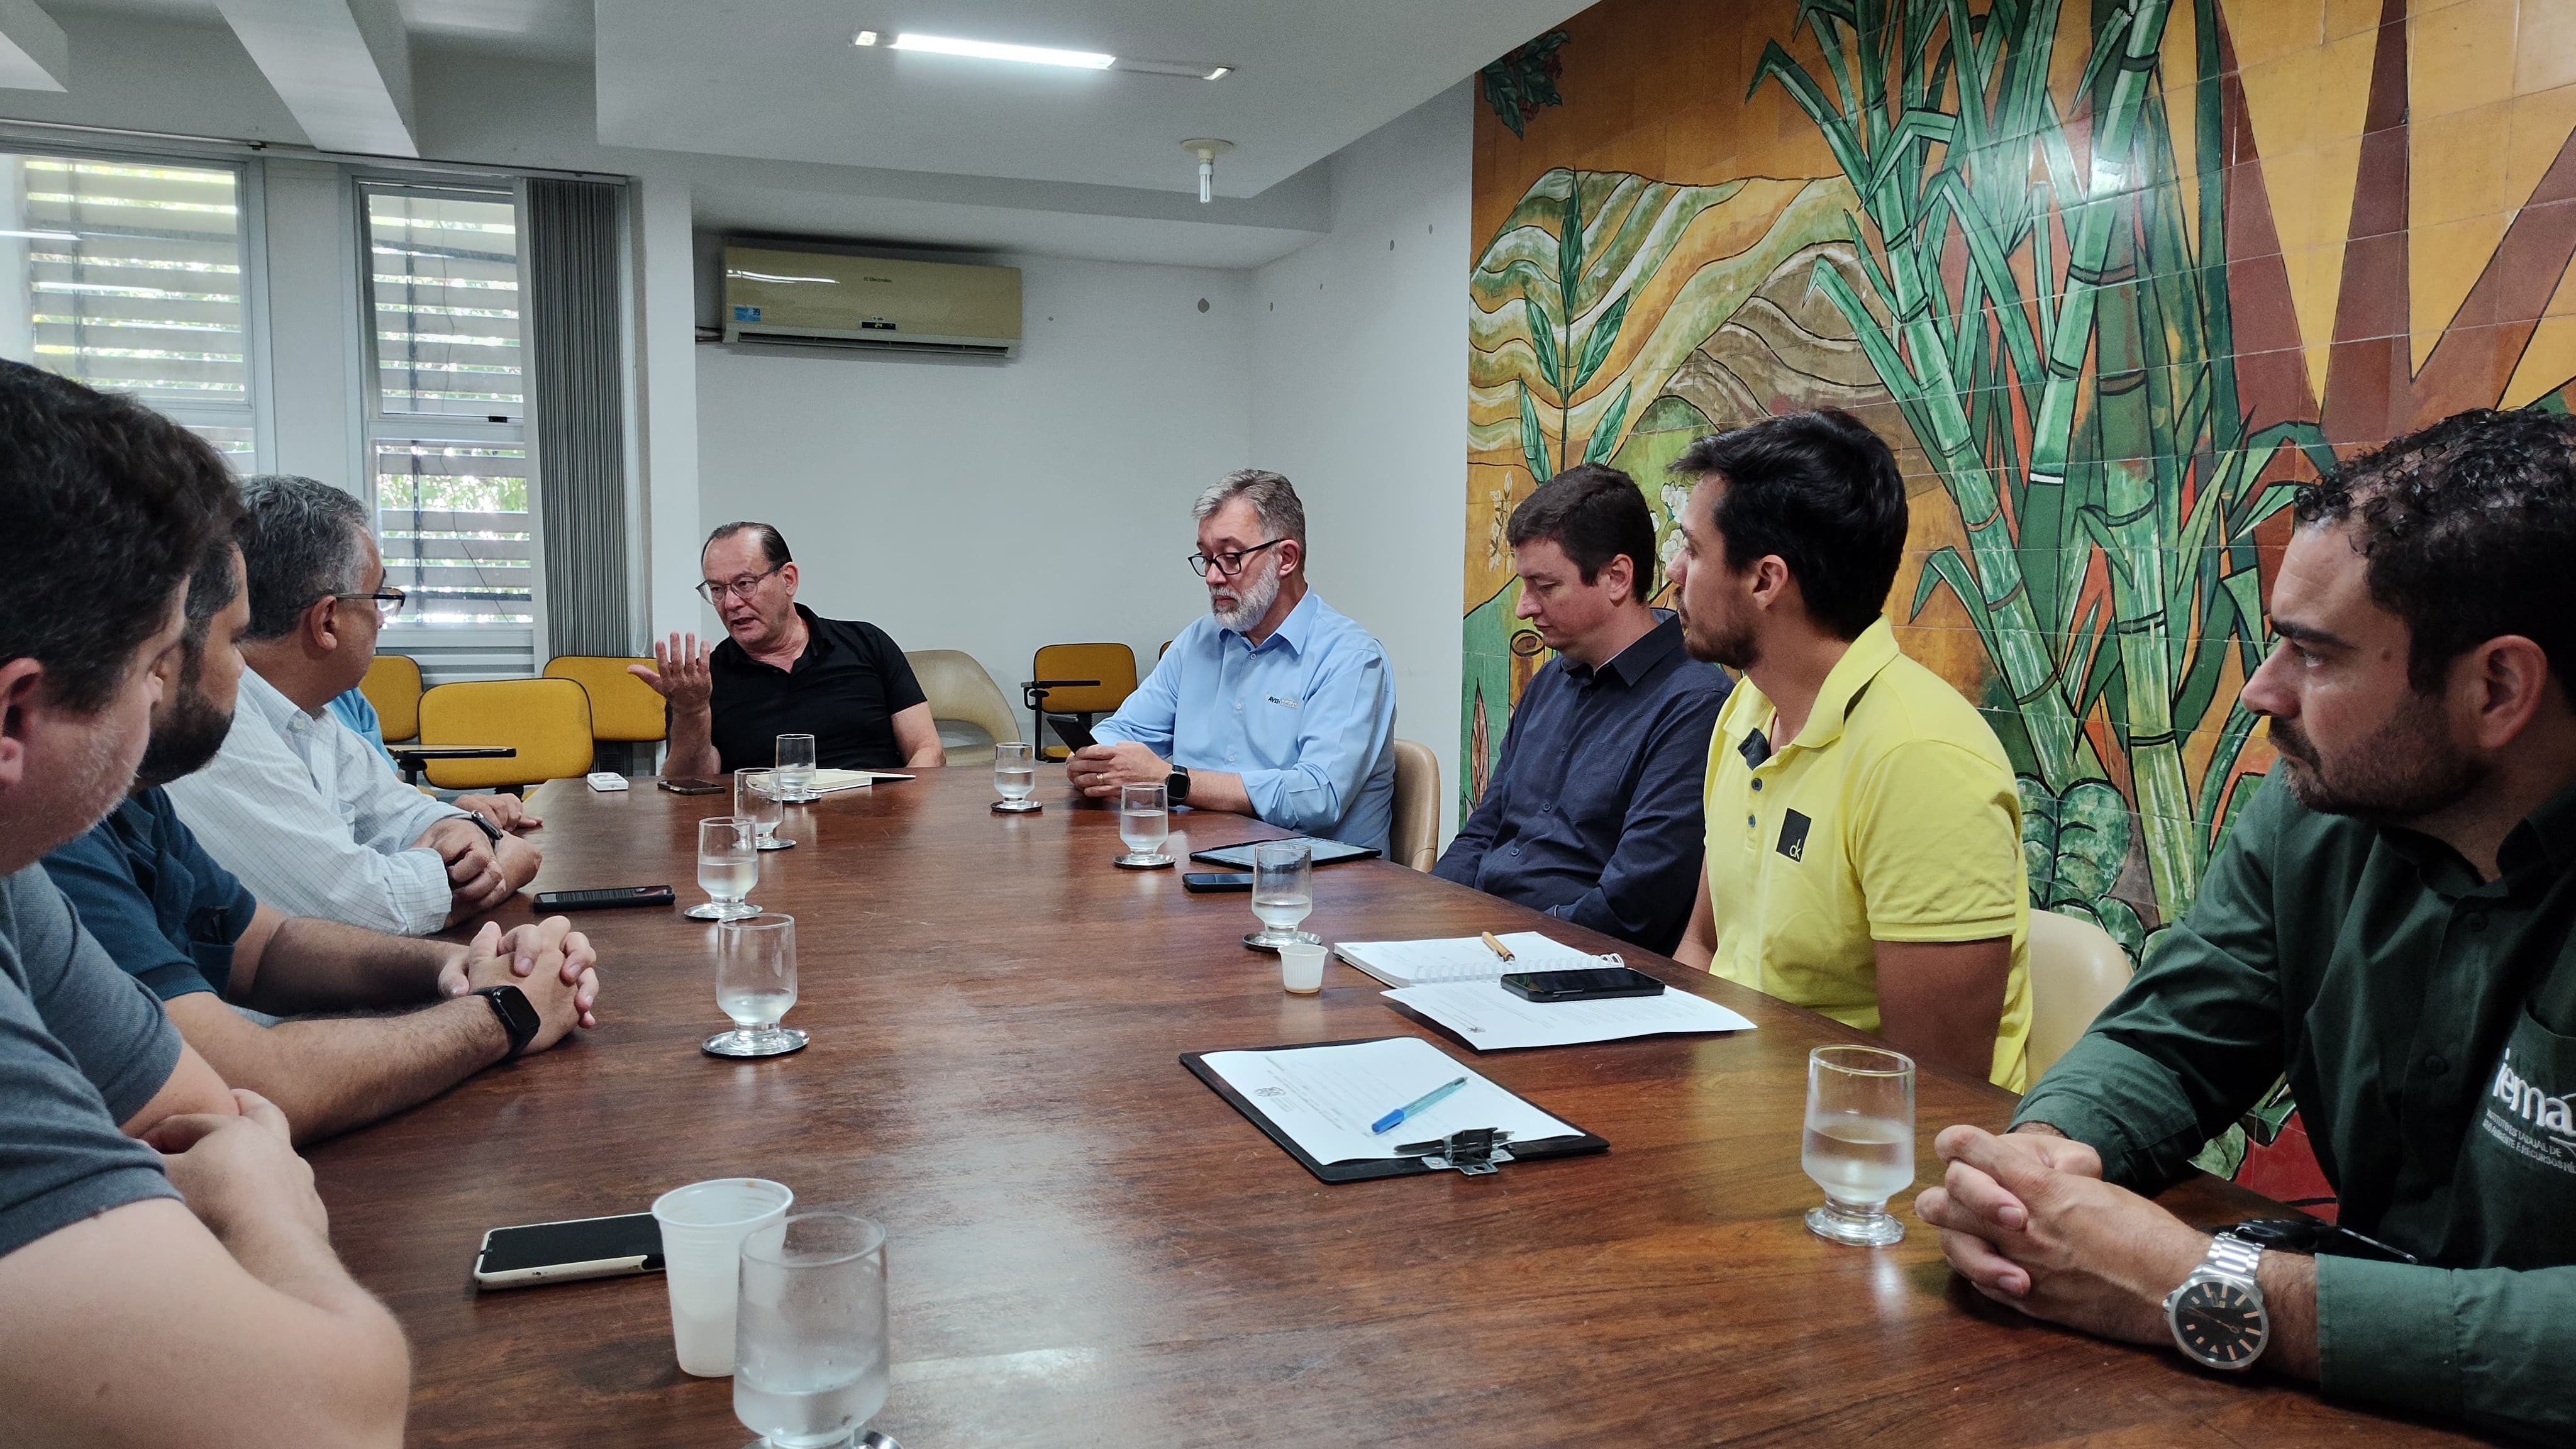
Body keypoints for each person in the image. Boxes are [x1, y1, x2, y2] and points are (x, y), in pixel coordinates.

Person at [1918, 408, 2576, 1441]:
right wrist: (2038, 1165)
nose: (2262, 693)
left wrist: (2198, 1285)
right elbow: (2174, 1034)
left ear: (2497, 687)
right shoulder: (2322, 808)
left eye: (2314, 655)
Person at [0, 360, 410, 1443]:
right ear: (16, 716)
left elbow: (205, 1107)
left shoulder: (12, 874)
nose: (173, 692)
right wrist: (268, 1202)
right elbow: (332, 1418)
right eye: (154, 664)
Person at [48, 536, 603, 1145]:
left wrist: (457, 966)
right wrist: (503, 1012)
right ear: (154, 661)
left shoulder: (131, 797)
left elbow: (267, 946)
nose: (244, 669)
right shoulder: (53, 836)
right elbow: (255, 1082)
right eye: (234, 641)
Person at [1665, 409, 2032, 1087]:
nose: (1673, 570)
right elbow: (1705, 945)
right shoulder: (1748, 709)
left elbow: (1934, 1088)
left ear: (1765, 580)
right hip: (1726, 1098)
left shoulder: (1921, 761)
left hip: (1845, 1137)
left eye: (1691, 549)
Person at [167, 474, 541, 934]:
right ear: (327, 621)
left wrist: (467, 832)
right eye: (379, 599)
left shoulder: (309, 715)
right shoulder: (219, 726)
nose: (382, 620)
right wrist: (501, 866)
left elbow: (403, 812)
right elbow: (359, 912)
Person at [1433, 464, 1729, 953]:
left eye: (1545, 586)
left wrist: (1505, 942)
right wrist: (1430, 910)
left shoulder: (1693, 705)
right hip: (1488, 942)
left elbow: (1634, 904)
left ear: (1617, 577)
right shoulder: (1550, 680)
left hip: (1574, 964)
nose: (1524, 607)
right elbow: (1484, 830)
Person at [1068, 469, 1398, 852]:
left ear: (1286, 558)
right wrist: (1093, 760)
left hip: (1313, 876)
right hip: (1200, 860)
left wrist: (1173, 781)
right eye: (1206, 558)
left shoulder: (1350, 658)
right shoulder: (1198, 641)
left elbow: (1316, 796)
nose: (1211, 577)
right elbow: (1124, 731)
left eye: (1230, 558)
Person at [635, 521, 945, 777]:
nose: (730, 603)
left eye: (744, 584)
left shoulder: (866, 643)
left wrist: (901, 812)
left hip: (878, 820)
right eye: (717, 590)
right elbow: (690, 788)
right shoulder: (700, 683)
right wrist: (692, 711)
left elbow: (927, 749)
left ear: (788, 579)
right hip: (767, 826)